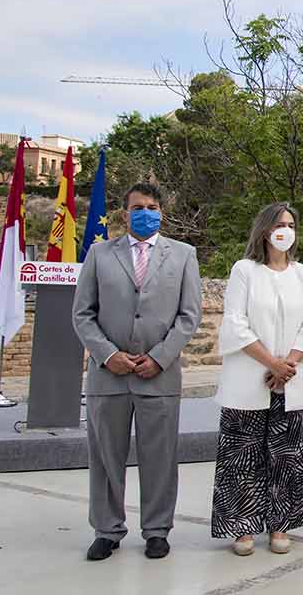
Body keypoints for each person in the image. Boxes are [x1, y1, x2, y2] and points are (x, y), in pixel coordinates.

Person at [72, 182, 203, 562]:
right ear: (124, 213)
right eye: (138, 206)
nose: (147, 212)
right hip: (108, 375)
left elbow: (189, 315)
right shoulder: (99, 254)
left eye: (153, 206)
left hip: (158, 376)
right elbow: (83, 313)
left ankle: (157, 530)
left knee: (160, 457)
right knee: (106, 457)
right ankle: (107, 529)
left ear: (160, 211)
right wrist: (107, 354)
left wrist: (160, 357)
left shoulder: (183, 255)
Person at [212, 202, 303, 555]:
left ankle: (280, 524)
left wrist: (287, 364)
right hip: (250, 378)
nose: (285, 230)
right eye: (279, 223)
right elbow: (235, 323)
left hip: (291, 380)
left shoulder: (302, 274)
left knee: (288, 456)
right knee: (242, 455)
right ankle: (242, 526)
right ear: (264, 230)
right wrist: (270, 363)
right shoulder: (245, 271)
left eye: (291, 223)